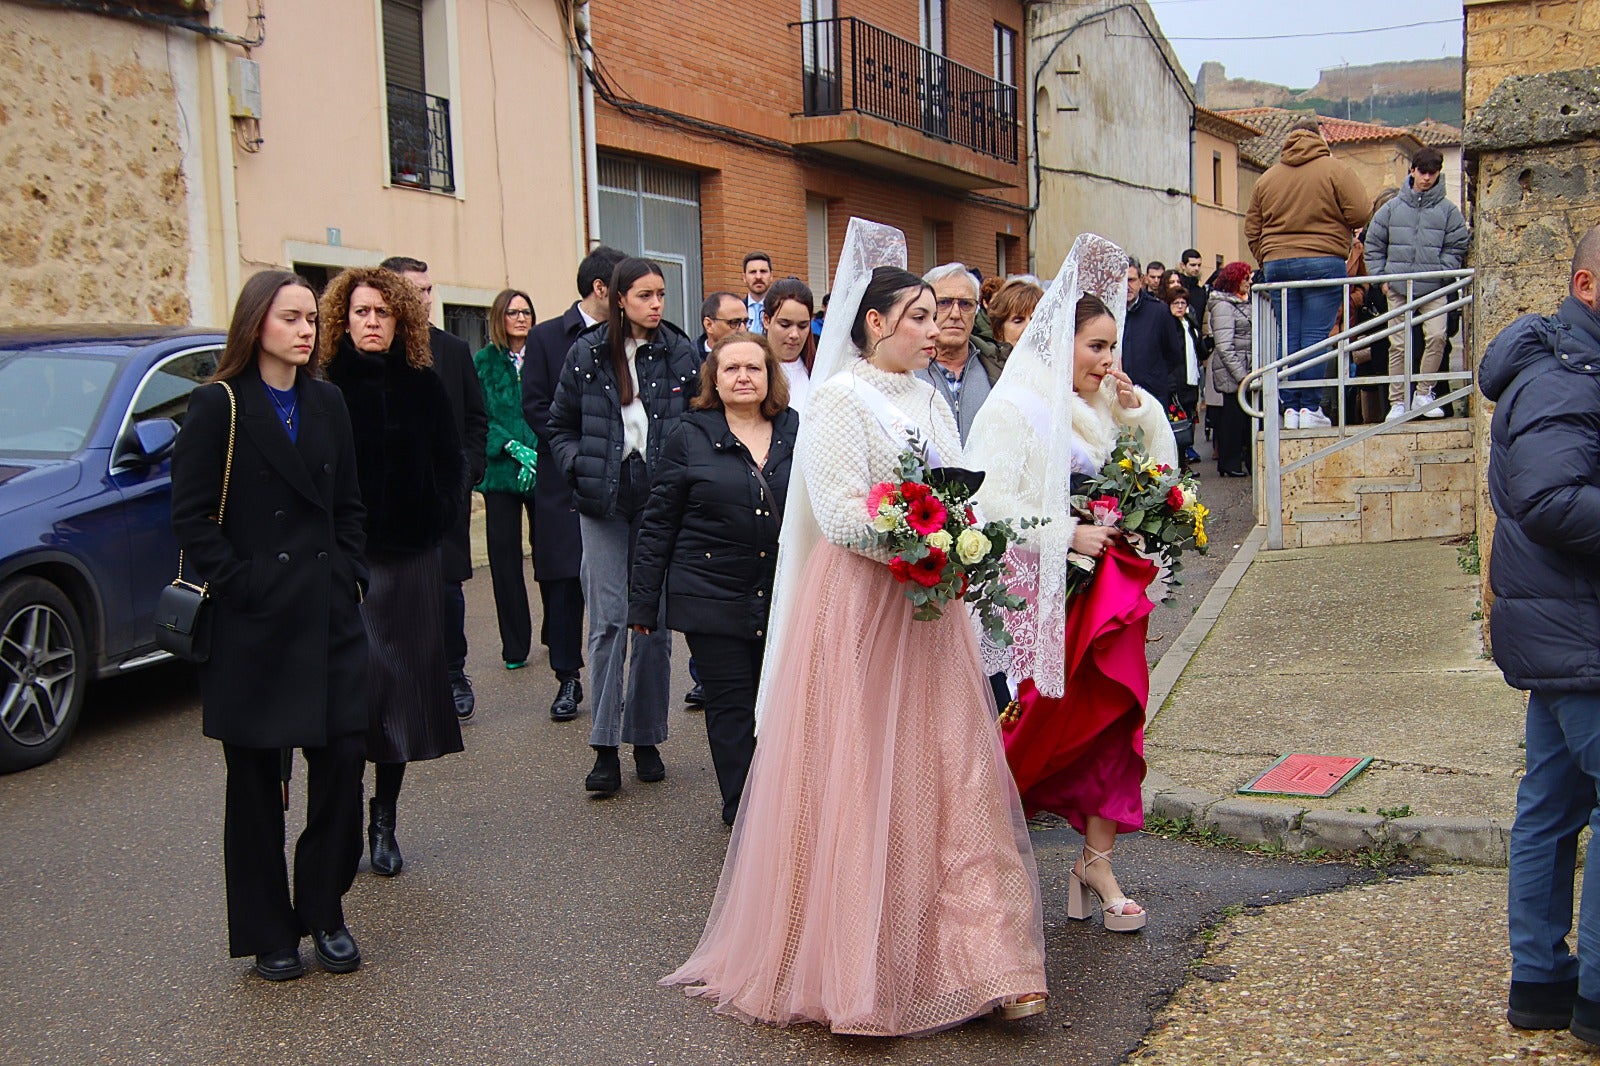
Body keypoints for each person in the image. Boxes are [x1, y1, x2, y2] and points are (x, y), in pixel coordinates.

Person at [662, 220, 1048, 1034]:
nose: (935, 325)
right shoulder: (839, 398)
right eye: (918, 314)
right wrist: (918, 538)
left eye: (941, 314)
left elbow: (956, 486)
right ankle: (861, 966)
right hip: (867, 606)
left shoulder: (931, 396)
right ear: (875, 323)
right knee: (867, 778)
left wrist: (960, 535)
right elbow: (838, 513)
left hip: (929, 612)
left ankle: (990, 960)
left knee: (954, 777)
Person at [969, 234, 1178, 936]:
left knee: (1109, 728)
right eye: (1096, 347)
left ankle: (1096, 863)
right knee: (1033, 733)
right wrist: (1067, 532)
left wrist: (1138, 409)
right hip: (1041, 598)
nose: (1108, 360)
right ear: (1062, 345)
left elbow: (1157, 478)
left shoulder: (1100, 408)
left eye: (1113, 346)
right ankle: (978, 870)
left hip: (1106, 596)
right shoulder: (1011, 409)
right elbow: (988, 502)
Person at [172, 270, 370, 981]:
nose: (306, 330)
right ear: (258, 324)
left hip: (326, 616)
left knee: (345, 762)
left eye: (311, 319)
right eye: (291, 318)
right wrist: (244, 585)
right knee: (255, 784)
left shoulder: (328, 402)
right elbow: (193, 518)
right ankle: (268, 932)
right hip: (252, 625)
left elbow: (348, 501)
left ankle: (323, 909)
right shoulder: (217, 405)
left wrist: (350, 574)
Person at [1482, 225, 1600, 1046]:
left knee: (1551, 807)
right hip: (1580, 628)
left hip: (1562, 625)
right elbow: (1550, 501)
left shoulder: (1566, 366)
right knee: (1553, 809)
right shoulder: (1567, 376)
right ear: (1588, 285)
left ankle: (1543, 985)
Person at [321, 266, 465, 878]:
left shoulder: (423, 383)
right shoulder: (323, 386)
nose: (372, 322)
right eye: (361, 312)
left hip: (409, 559)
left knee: (401, 693)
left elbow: (451, 460)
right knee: (355, 694)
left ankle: (385, 818)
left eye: (383, 312)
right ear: (343, 320)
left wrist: (434, 517)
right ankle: (343, 822)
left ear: (400, 318)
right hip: (345, 562)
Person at [629, 333, 798, 826]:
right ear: (714, 379)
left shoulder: (794, 430)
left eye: (754, 368)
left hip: (780, 594)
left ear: (770, 376)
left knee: (778, 705)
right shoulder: (689, 435)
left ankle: (780, 805)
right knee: (730, 707)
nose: (744, 377)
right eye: (731, 369)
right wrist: (644, 604)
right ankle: (743, 814)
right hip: (711, 593)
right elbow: (658, 521)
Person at [548, 257, 701, 795]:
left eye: (661, 294)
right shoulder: (588, 353)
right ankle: (605, 745)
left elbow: (699, 421)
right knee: (609, 620)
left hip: (659, 503)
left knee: (653, 624)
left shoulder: (680, 352)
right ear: (618, 298)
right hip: (604, 502)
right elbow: (559, 424)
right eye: (645, 295)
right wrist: (578, 464)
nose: (656, 303)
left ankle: (646, 736)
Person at [380, 256, 487, 722]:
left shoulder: (452, 350)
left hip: (442, 495)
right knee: (392, 589)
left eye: (429, 290)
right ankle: (400, 678)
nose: (426, 299)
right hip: (385, 498)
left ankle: (452, 673)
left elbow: (475, 420)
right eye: (415, 291)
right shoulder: (368, 353)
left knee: (445, 588)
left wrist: (465, 475)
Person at [523, 245, 628, 721]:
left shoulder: (631, 339)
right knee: (563, 585)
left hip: (618, 487)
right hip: (563, 482)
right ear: (602, 289)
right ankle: (567, 679)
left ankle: (613, 683)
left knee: (613, 591)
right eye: (624, 289)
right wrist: (583, 453)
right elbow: (537, 406)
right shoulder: (547, 338)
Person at [1246, 118, 1370, 430]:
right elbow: (1360, 212)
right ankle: (1310, 407)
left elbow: (1252, 228)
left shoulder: (1267, 178)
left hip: (1277, 265)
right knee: (1315, 336)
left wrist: (1267, 255)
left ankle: (1289, 408)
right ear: (1320, 138)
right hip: (1323, 260)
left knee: (1288, 335)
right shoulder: (1335, 169)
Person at [1363, 146, 1471, 421]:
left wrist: (1441, 272)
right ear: (1412, 170)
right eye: (1422, 172)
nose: (1426, 178)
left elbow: (1457, 245)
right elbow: (1373, 245)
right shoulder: (1390, 210)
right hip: (1398, 286)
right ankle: (1397, 400)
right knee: (1398, 344)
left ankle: (1424, 391)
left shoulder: (1448, 211)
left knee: (1437, 336)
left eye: (1431, 173)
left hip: (1432, 286)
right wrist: (1382, 281)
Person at [473, 289, 542, 671]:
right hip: (501, 473)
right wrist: (511, 446)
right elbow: (479, 415)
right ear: (500, 317)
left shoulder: (543, 357)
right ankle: (514, 645)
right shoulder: (483, 362)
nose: (520, 318)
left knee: (548, 555)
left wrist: (534, 450)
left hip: (541, 469)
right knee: (504, 559)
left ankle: (554, 632)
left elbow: (551, 405)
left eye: (526, 312)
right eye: (513, 312)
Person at [917, 262, 1005, 442]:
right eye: (944, 303)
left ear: (976, 311)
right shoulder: (905, 371)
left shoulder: (1001, 368)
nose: (955, 314)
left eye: (966, 304)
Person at [1205, 261, 1255, 477]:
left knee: (1241, 420)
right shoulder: (1224, 306)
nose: (1250, 282)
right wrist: (1243, 377)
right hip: (1233, 371)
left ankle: (1234, 462)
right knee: (1231, 420)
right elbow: (1224, 346)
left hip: (1243, 368)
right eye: (1246, 278)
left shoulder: (1243, 302)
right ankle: (1230, 463)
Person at [1121, 256, 1183, 407]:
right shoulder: (1109, 312)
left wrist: (1154, 375)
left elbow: (1173, 353)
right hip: (1120, 395)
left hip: (1152, 395)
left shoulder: (1159, 311)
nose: (1126, 286)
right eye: (1121, 281)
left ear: (1141, 280)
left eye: (1131, 280)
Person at [760, 277, 816, 413]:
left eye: (803, 326)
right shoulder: (749, 371)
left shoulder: (820, 371)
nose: (794, 334)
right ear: (766, 320)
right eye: (785, 325)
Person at [1166, 288, 1204, 466]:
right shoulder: (1169, 325)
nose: (1179, 307)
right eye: (1176, 303)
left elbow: (1198, 348)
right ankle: (1178, 464)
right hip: (1176, 381)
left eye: (1183, 303)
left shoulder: (1190, 323)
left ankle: (1185, 462)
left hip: (1192, 380)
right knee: (1176, 424)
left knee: (1189, 420)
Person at [989, 276, 1046, 356]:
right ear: (999, 331)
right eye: (1018, 321)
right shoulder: (988, 366)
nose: (1029, 327)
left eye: (1035, 320)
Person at [696, 291, 748, 359]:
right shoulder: (688, 360)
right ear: (709, 325)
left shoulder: (757, 356)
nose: (743, 329)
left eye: (745, 322)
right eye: (734, 322)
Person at [742, 252, 773, 335]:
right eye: (753, 272)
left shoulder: (778, 309)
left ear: (771, 276)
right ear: (744, 277)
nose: (758, 277)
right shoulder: (736, 310)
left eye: (763, 271)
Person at [1177, 248, 1209, 324]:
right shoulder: (1176, 287)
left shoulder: (1201, 291)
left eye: (1199, 265)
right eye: (1193, 265)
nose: (1196, 268)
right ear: (1183, 265)